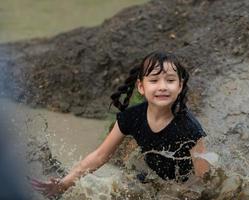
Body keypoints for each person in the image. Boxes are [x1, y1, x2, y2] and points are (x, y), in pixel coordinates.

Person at [31, 51, 209, 198]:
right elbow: (100, 156)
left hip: (182, 190)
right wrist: (64, 183)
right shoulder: (131, 117)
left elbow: (204, 180)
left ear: (180, 86)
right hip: (150, 182)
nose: (162, 87)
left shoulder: (188, 128)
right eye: (154, 81)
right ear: (141, 87)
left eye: (170, 80)